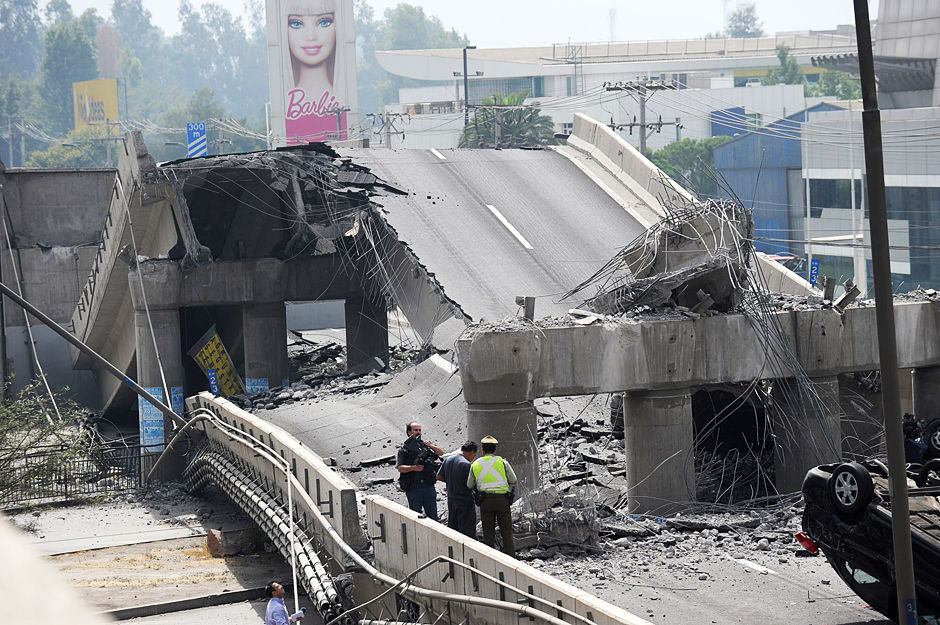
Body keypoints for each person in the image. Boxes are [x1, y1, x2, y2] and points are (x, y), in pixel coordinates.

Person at [467, 435, 517, 557]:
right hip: (502, 501)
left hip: (485, 501)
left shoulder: (475, 464)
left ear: (483, 451)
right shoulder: (503, 462)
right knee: (506, 531)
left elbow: (469, 485)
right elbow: (514, 480)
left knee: (488, 532)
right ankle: (511, 558)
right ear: (495, 450)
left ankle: (491, 559)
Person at [396, 421, 444, 521]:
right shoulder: (403, 450)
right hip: (413, 486)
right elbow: (400, 467)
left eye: (419, 430)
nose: (418, 432)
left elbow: (441, 453)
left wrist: (430, 446)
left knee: (433, 517)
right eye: (415, 430)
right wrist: (413, 468)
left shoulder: (425, 446)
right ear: (409, 432)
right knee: (416, 517)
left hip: (428, 485)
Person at [437, 441, 478, 537]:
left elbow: (439, 476)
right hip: (465, 501)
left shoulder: (448, 460)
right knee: (467, 532)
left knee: (453, 530)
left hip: (451, 500)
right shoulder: (466, 464)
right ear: (471, 452)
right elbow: (471, 484)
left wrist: (451, 482)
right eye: (474, 455)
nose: (473, 458)